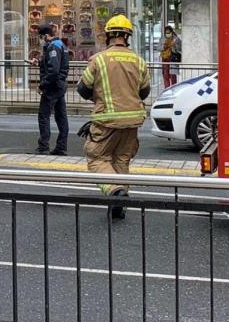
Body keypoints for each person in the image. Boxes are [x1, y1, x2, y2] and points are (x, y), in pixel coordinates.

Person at [76, 14, 150, 220]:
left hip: (106, 120)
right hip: (133, 121)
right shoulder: (139, 60)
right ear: (127, 37)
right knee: (121, 160)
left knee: (97, 158)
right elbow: (144, 92)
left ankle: (114, 190)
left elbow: (82, 89)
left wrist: (99, 97)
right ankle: (120, 203)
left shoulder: (99, 59)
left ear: (108, 36)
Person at [35, 24, 69, 155]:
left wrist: (42, 85)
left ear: (45, 36)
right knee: (61, 117)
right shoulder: (61, 45)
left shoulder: (53, 47)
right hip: (60, 86)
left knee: (43, 116)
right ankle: (61, 147)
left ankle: (43, 146)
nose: (41, 40)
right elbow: (54, 64)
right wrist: (38, 62)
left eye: (41, 37)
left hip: (52, 87)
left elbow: (53, 70)